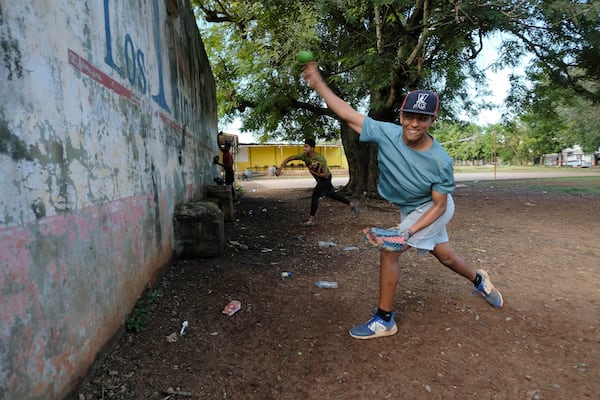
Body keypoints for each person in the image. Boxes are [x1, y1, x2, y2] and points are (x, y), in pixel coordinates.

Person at [301, 61, 504, 339]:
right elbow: (348, 114)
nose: (414, 123)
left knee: (390, 250)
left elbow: (440, 205)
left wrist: (406, 232)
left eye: (422, 118)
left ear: (433, 120)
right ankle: (480, 279)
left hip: (432, 210)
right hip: (413, 208)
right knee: (445, 256)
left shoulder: (440, 160)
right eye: (409, 116)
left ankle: (384, 320)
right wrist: (319, 83)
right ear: (401, 114)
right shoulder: (388, 134)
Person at [275, 138, 360, 226]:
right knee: (332, 194)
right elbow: (289, 158)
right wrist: (280, 169)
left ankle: (311, 220)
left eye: (306, 147)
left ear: (312, 148)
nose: (304, 148)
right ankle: (352, 205)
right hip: (321, 179)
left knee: (315, 195)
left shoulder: (320, 159)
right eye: (304, 146)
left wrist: (314, 172)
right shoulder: (304, 156)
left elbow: (326, 175)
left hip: (325, 178)